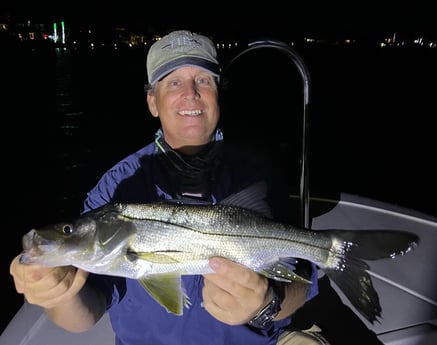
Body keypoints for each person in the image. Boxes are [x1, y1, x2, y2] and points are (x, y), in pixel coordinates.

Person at [9, 30, 320, 345]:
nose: (191, 94)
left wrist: (268, 304)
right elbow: (84, 315)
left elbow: (303, 281)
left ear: (217, 94)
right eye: (173, 82)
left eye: (203, 81)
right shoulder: (117, 186)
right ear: (152, 101)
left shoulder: (257, 174)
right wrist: (56, 294)